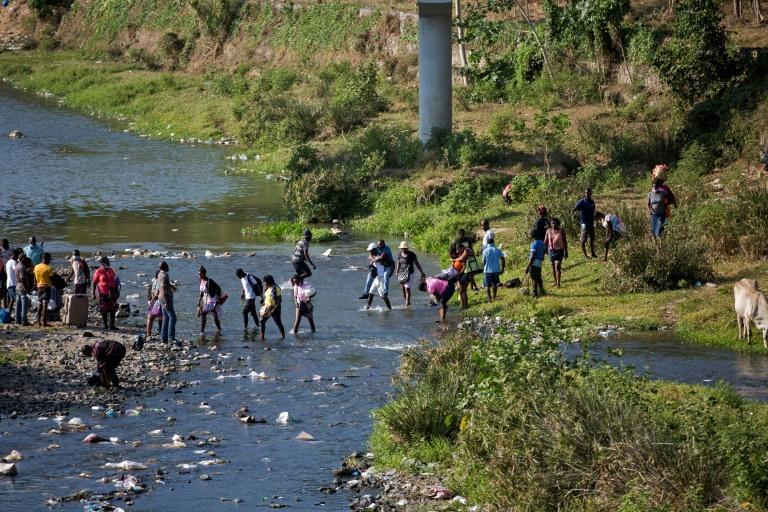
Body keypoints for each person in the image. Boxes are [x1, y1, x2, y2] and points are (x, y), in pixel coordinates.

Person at [92, 257, 120, 330]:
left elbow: (115, 280)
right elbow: (94, 282)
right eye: (103, 263)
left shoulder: (111, 270)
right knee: (103, 309)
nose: (105, 265)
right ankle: (105, 325)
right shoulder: (99, 271)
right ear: (101, 264)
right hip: (102, 292)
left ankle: (112, 325)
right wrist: (93, 293)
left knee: (113, 309)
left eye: (107, 263)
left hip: (112, 293)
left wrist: (117, 292)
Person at [395, 241, 426, 307]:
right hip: (401, 273)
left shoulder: (412, 254)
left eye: (405, 248)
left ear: (407, 248)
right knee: (403, 288)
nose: (403, 249)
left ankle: (407, 304)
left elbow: (417, 263)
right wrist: (397, 272)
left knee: (407, 289)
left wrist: (422, 272)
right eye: (402, 248)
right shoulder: (400, 254)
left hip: (410, 273)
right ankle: (406, 302)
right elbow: (398, 263)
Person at [365, 243, 393, 310]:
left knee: (383, 296)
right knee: (371, 293)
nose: (369, 251)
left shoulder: (381, 256)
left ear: (374, 249)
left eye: (370, 250)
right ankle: (367, 308)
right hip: (377, 278)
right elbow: (371, 260)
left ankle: (390, 309)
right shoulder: (373, 256)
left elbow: (390, 262)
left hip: (382, 278)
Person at [197, 266, 223, 336]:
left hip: (212, 300)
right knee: (214, 315)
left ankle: (202, 332)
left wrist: (218, 299)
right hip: (206, 299)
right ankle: (219, 330)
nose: (199, 275)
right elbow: (202, 292)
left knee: (203, 313)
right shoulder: (200, 280)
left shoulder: (209, 281)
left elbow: (218, 288)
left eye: (200, 274)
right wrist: (199, 302)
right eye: (198, 273)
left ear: (204, 273)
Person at [543, 218, 568, 288]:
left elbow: (565, 241)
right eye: (552, 223)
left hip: (560, 250)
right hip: (551, 250)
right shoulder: (548, 231)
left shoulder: (561, 230)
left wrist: (566, 252)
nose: (553, 224)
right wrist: (541, 249)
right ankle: (555, 281)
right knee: (553, 267)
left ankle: (558, 284)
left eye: (555, 223)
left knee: (557, 266)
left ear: (558, 223)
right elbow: (545, 241)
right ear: (550, 224)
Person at [573, 188, 598, 258]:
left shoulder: (592, 202)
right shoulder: (581, 202)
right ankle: (585, 254)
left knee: (592, 238)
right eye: (586, 193)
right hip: (584, 223)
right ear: (585, 193)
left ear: (591, 193)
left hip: (591, 222)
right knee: (583, 239)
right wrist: (573, 212)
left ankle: (593, 253)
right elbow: (575, 208)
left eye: (589, 193)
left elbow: (593, 211)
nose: (587, 194)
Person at [260, 275, 285, 341]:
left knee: (278, 322)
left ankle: (283, 337)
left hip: (275, 308)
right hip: (267, 308)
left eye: (265, 282)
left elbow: (279, 301)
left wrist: (273, 310)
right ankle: (262, 338)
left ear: (268, 282)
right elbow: (267, 297)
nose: (264, 283)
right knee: (262, 321)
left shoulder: (276, 288)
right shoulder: (267, 287)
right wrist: (264, 303)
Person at [236, 268, 262, 332]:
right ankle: (259, 326)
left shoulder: (249, 277)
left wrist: (260, 295)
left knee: (244, 312)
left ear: (242, 273)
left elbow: (257, 285)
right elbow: (244, 287)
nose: (238, 277)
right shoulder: (242, 278)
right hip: (247, 297)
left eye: (239, 276)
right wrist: (243, 293)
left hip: (252, 297)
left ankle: (245, 328)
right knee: (253, 313)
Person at [157, 261, 176, 343]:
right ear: (164, 267)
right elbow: (164, 289)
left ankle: (163, 337)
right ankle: (171, 338)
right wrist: (167, 301)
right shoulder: (164, 275)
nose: (169, 267)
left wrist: (171, 286)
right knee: (173, 317)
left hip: (160, 298)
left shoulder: (159, 274)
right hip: (165, 298)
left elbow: (162, 285)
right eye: (167, 266)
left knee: (166, 317)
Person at [34, 252, 54, 327]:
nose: (50, 261)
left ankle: (39, 322)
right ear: (47, 259)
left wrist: (35, 285)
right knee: (45, 305)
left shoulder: (36, 267)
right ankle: (44, 323)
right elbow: (52, 278)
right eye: (49, 259)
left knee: (39, 304)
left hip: (39, 287)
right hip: (46, 287)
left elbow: (35, 278)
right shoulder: (49, 268)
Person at [482, 239, 505, 303]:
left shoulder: (485, 251)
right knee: (495, 284)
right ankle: (494, 297)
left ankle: (489, 299)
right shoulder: (498, 250)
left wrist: (484, 267)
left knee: (487, 285)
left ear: (487, 243)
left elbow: (483, 262)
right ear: (493, 243)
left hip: (487, 271)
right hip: (496, 271)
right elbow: (503, 259)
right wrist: (502, 269)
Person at [525, 229, 546, 297]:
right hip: (539, 262)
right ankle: (542, 290)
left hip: (533, 262)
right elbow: (544, 250)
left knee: (534, 278)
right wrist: (542, 256)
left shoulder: (534, 244)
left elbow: (532, 256)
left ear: (532, 235)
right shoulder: (541, 242)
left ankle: (535, 293)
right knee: (538, 277)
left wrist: (528, 267)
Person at [14, 256, 33, 326]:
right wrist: (27, 289)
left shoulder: (17, 265)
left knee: (18, 304)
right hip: (22, 287)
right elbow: (23, 279)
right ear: (21, 259)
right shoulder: (22, 267)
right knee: (24, 305)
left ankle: (17, 320)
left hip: (18, 286)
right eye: (24, 258)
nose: (25, 260)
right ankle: (24, 321)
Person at [146, 270, 163, 340]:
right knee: (161, 317)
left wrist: (149, 302)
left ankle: (148, 334)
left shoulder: (153, 282)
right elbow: (156, 294)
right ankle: (161, 333)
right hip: (158, 303)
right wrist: (152, 301)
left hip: (152, 303)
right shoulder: (159, 282)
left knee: (150, 318)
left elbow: (149, 293)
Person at [4, 249, 19, 319]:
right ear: (14, 255)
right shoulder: (13, 262)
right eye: (17, 256)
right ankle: (18, 316)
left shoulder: (7, 262)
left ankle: (8, 315)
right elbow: (16, 271)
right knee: (17, 300)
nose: (18, 257)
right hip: (13, 283)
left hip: (9, 283)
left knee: (12, 300)